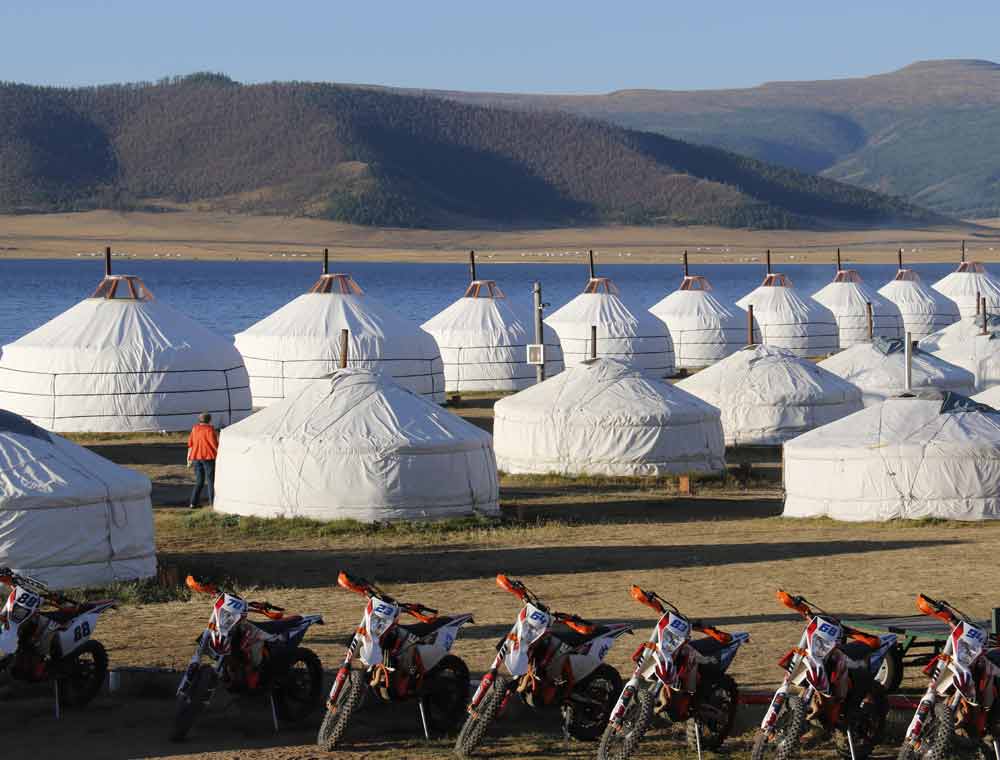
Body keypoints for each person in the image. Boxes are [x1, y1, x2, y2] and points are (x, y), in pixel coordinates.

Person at [187, 412, 219, 508]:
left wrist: (188, 458)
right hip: (208, 457)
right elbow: (214, 444)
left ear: (199, 420)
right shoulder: (210, 430)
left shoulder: (194, 429)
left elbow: (190, 444)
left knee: (199, 481)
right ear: (209, 420)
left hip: (196, 456)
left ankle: (193, 503)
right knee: (210, 481)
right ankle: (212, 503)